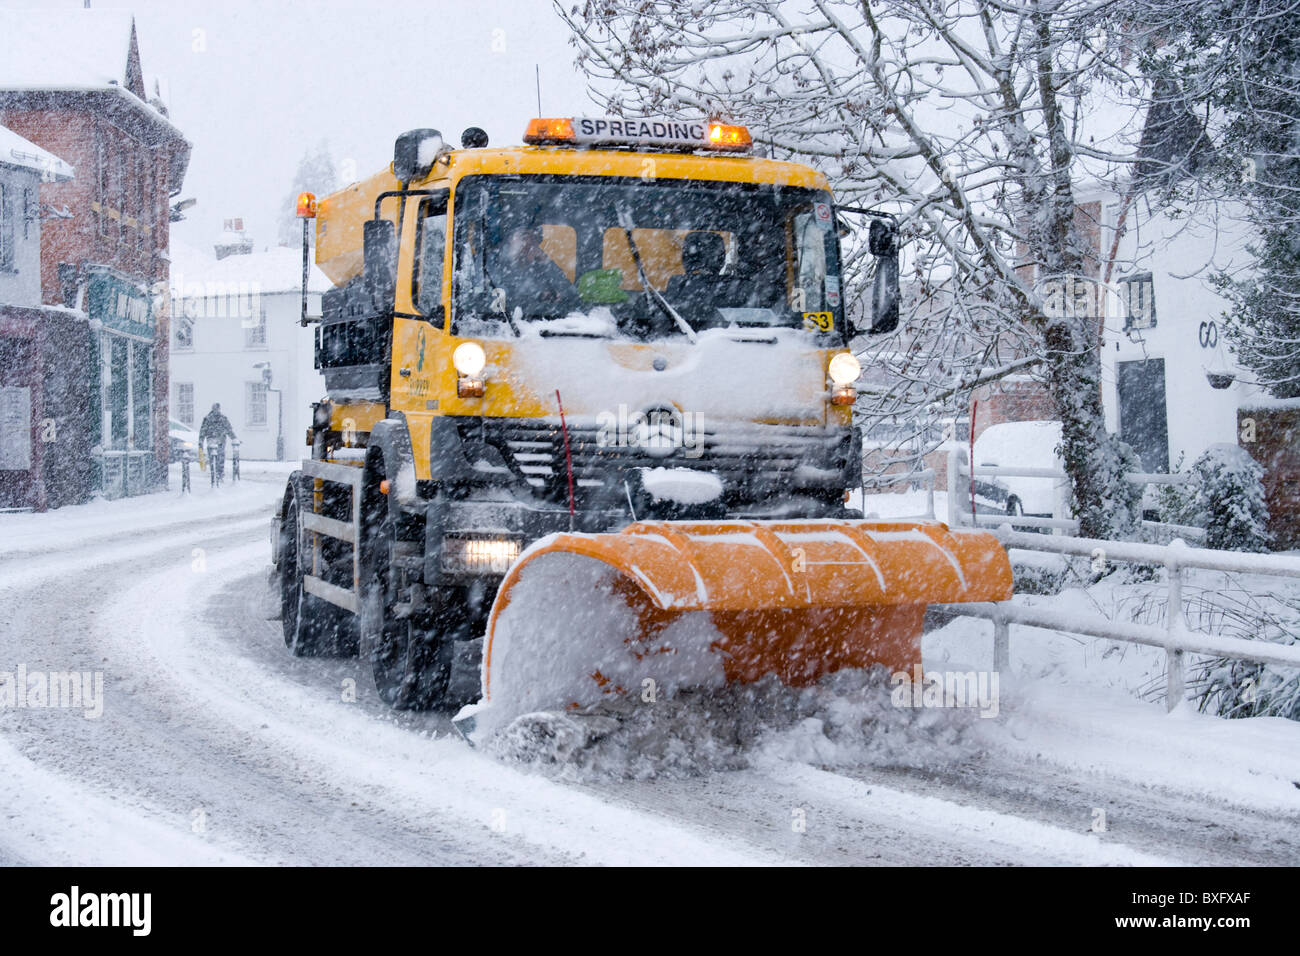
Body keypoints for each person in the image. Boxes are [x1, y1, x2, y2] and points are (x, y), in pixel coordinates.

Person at [497, 225, 580, 316]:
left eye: (533, 238)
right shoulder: (495, 266)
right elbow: (497, 301)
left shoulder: (541, 267)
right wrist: (537, 297)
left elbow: (572, 295)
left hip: (548, 324)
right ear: (510, 241)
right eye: (523, 237)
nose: (528, 243)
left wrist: (545, 262)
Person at [199, 403, 237, 483]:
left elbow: (229, 430)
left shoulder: (219, 418)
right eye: (215, 409)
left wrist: (234, 438)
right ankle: (216, 474)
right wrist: (201, 441)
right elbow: (203, 431)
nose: (216, 410)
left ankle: (218, 474)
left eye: (217, 409)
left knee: (219, 458)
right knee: (215, 458)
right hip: (215, 440)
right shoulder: (209, 418)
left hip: (218, 441)